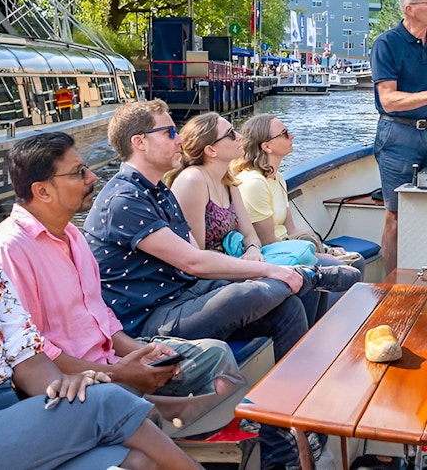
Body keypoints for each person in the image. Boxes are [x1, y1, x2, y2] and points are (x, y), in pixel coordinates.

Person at [84, 99, 357, 470]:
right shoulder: (124, 199)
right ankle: (310, 277)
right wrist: (268, 271)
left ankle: (281, 448)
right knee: (257, 289)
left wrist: (257, 264)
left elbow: (197, 259)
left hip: (187, 296)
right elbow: (192, 261)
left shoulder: (157, 191)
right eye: (167, 132)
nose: (177, 138)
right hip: (152, 322)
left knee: (287, 308)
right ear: (139, 142)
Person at [0, 132, 244, 430]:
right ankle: (171, 428)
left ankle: (187, 429)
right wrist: (121, 373)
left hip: (110, 361)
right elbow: (32, 355)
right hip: (73, 383)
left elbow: (100, 316)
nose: (91, 177)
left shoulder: (73, 236)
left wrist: (141, 352)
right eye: (78, 173)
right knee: (134, 398)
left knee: (215, 355)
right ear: (43, 191)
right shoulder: (8, 251)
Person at [0, 256, 203, 470]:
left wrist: (64, 386)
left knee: (135, 462)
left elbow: (29, 363)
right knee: (108, 400)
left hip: (8, 414)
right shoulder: (6, 249)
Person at [166, 111, 361, 326]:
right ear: (211, 150)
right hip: (213, 279)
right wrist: (248, 265)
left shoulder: (228, 182)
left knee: (305, 281)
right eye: (231, 133)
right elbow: (197, 256)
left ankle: (316, 340)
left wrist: (251, 250)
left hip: (239, 264)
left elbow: (251, 235)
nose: (239, 136)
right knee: (302, 286)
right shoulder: (193, 180)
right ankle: (310, 282)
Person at [232, 113, 365, 316]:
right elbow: (267, 242)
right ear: (266, 146)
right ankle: (323, 332)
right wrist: (317, 254)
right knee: (343, 269)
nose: (291, 136)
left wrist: (327, 249)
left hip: (288, 246)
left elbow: (291, 229)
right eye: (284, 133)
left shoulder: (277, 178)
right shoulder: (254, 183)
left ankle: (329, 330)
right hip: (274, 254)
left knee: (352, 261)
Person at [371, 0, 427, 276]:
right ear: (410, 8)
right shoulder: (387, 44)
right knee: (395, 214)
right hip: (399, 135)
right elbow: (388, 99)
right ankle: (390, 289)